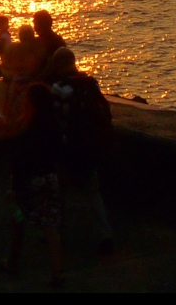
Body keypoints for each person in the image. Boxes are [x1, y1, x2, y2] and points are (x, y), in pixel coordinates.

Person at [44, 47, 116, 254]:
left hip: (67, 149)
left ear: (59, 65)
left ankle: (57, 233)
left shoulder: (59, 88)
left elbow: (55, 121)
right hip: (89, 147)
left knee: (59, 193)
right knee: (93, 193)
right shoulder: (90, 84)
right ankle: (105, 234)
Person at [3, 72, 64, 286]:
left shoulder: (25, 126)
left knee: (19, 219)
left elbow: (18, 160)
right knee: (50, 227)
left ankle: (12, 261)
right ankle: (57, 273)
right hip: (49, 179)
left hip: (28, 183)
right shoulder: (54, 124)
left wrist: (14, 188)